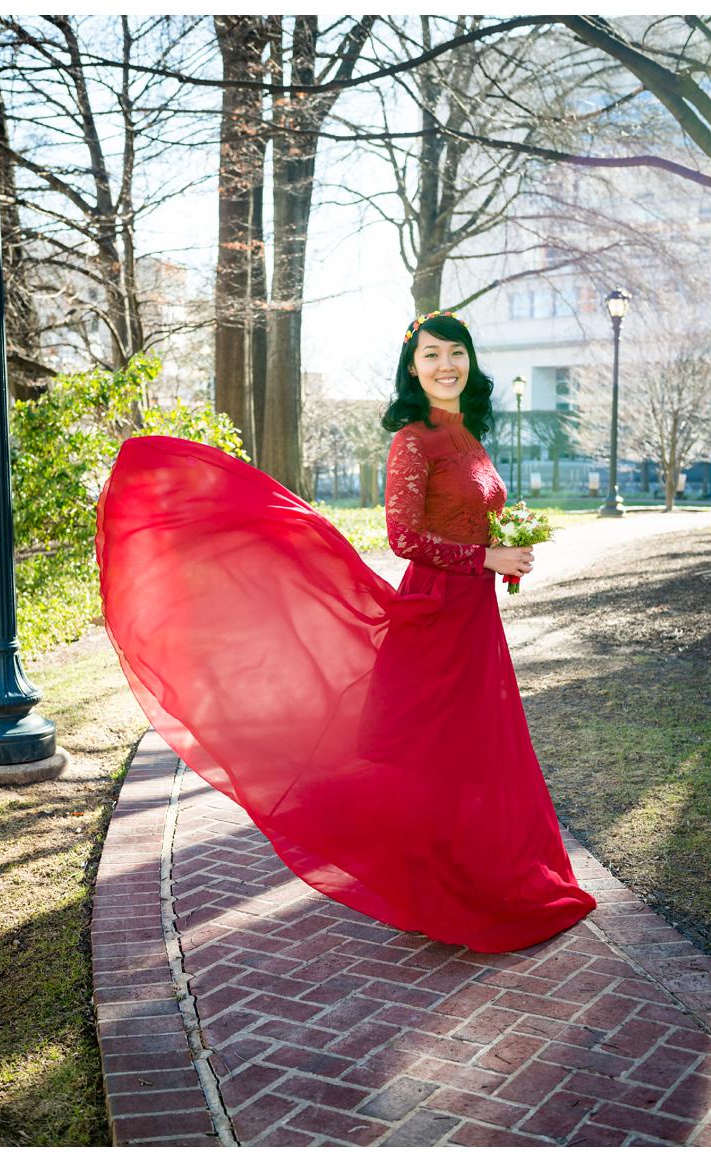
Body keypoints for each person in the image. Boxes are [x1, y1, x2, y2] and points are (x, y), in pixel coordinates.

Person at [95, 310, 596, 953]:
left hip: (474, 614)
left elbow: (464, 517)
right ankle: (448, 891)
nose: (446, 365)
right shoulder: (414, 440)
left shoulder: (466, 435)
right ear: (412, 370)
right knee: (440, 754)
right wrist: (484, 558)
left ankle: (488, 877)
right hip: (436, 614)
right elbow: (404, 536)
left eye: (456, 353)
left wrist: (504, 547)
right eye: (432, 356)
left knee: (477, 751)